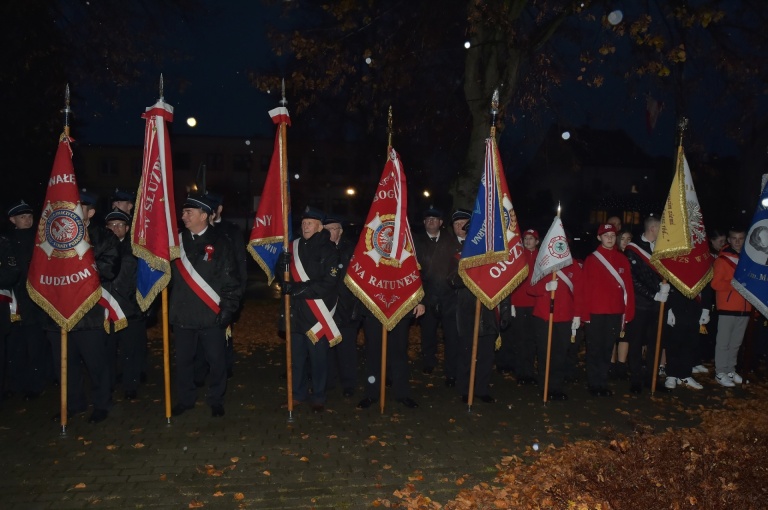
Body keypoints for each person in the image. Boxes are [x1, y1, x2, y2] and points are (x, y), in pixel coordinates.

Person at [49, 189, 121, 423]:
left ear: (90, 212)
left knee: (96, 363)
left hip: (89, 312)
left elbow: (109, 269)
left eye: (80, 207)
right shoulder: (53, 236)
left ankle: (102, 404)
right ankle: (73, 404)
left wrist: (78, 266)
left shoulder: (104, 237)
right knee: (65, 364)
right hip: (60, 311)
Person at [169, 193, 242, 417]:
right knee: (183, 361)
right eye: (183, 212)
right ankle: (186, 399)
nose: (183, 216)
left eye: (188, 212)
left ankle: (216, 399)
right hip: (182, 313)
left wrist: (228, 309)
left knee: (216, 361)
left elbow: (231, 280)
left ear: (203, 215)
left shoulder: (221, 242)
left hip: (211, 314)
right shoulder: (175, 242)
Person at [278, 206, 340, 413]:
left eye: (310, 223)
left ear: (320, 227)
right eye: (304, 223)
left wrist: (297, 289)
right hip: (295, 312)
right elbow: (282, 278)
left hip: (316, 315)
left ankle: (319, 396)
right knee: (296, 359)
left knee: (318, 359)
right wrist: (281, 266)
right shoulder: (292, 246)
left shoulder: (329, 250)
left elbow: (329, 282)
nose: (305, 226)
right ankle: (297, 394)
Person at [582, 223, 635, 396]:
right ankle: (593, 383)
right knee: (595, 349)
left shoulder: (622, 259)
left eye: (612, 235)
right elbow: (585, 289)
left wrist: (628, 312)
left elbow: (628, 288)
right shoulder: (591, 259)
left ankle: (602, 382)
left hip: (615, 311)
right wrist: (584, 314)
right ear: (599, 238)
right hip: (595, 312)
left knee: (607, 348)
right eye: (606, 235)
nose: (610, 238)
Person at [4, 200, 48, 401]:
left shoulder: (40, 240)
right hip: (14, 300)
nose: (27, 220)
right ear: (12, 220)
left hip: (34, 301)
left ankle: (36, 385)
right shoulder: (7, 241)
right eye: (22, 217)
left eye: (30, 216)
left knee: (35, 346)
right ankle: (16, 384)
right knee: (16, 346)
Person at [412, 207, 461, 387]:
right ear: (424, 222)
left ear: (441, 223)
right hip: (427, 295)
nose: (431, 221)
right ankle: (429, 362)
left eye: (435, 219)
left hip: (449, 296)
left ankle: (451, 371)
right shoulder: (416, 241)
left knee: (451, 336)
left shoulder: (452, 241)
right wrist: (419, 298)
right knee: (428, 333)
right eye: (428, 219)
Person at [204, 191, 248, 380]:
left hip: (225, 292)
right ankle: (203, 369)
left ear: (219, 209)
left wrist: (238, 294)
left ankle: (225, 368)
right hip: (201, 291)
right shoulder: (199, 230)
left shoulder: (231, 231)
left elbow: (240, 264)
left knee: (224, 334)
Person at [528, 259, 584, 401]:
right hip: (544, 316)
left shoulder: (573, 265)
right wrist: (545, 287)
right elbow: (530, 288)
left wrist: (577, 314)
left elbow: (579, 291)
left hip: (565, 316)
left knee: (560, 354)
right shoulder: (543, 262)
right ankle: (545, 387)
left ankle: (557, 387)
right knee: (544, 353)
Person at [103, 208, 144, 400]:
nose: (116, 228)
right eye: (112, 225)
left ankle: (130, 385)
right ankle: (109, 384)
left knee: (130, 351)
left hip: (129, 308)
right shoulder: (98, 247)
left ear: (127, 228)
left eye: (120, 225)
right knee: (107, 351)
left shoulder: (135, 250)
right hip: (106, 309)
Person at [623, 216, 666, 394]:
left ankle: (651, 378)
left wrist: (666, 290)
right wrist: (653, 294)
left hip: (659, 305)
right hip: (641, 304)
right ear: (653, 228)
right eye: (661, 228)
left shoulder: (662, 248)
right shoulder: (633, 249)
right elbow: (633, 279)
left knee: (656, 343)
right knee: (636, 342)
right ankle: (636, 380)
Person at [323, 214, 361, 397]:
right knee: (327, 347)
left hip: (347, 306)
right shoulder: (319, 249)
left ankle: (348, 384)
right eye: (327, 229)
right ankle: (328, 381)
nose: (330, 232)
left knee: (347, 348)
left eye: (333, 228)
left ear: (341, 231)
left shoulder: (352, 250)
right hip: (325, 307)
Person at [711, 227, 751, 387]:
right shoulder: (722, 260)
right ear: (729, 240)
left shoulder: (749, 259)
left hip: (745, 308)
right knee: (723, 342)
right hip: (727, 307)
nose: (737, 242)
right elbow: (715, 284)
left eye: (741, 238)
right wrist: (736, 284)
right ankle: (720, 372)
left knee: (736, 343)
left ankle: (730, 370)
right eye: (734, 238)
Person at [498, 228, 539, 384]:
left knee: (531, 340)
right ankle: (521, 372)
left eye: (531, 238)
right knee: (520, 339)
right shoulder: (517, 256)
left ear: (537, 241)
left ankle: (529, 372)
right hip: (519, 304)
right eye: (526, 238)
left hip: (535, 304)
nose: (528, 241)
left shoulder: (541, 257)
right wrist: (511, 303)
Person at [662, 284, 713, 390]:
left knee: (690, 342)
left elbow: (706, 287)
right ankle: (671, 375)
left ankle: (685, 375)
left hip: (695, 305)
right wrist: (668, 309)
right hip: (676, 305)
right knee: (674, 341)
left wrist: (706, 309)